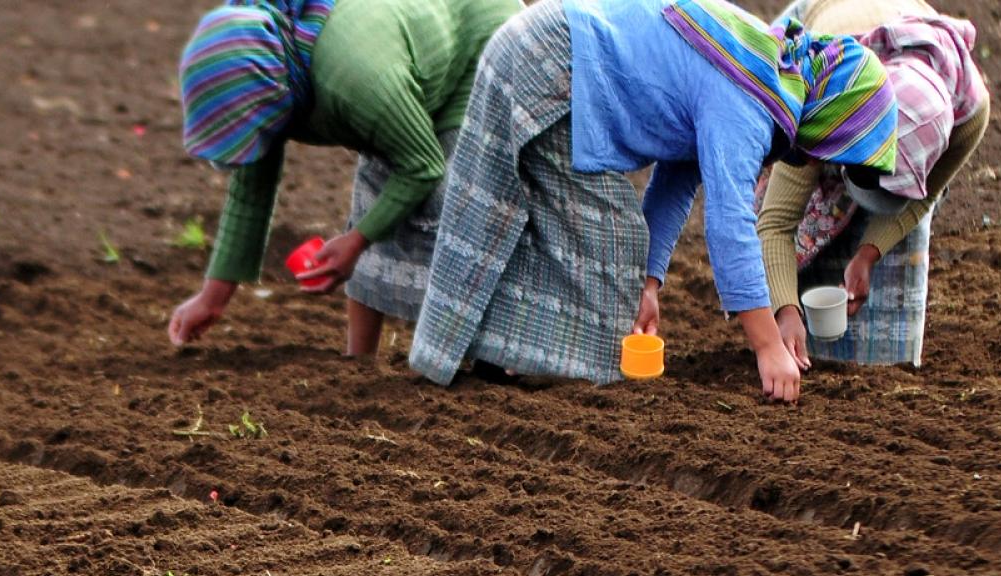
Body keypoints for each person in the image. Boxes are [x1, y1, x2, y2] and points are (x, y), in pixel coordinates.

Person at [406, 0, 899, 402]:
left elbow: (675, 180)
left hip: (541, 46)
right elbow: (730, 224)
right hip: (551, 59)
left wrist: (650, 282)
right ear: (833, 116)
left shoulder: (758, 63)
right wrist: (768, 347)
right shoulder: (750, 97)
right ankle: (559, 369)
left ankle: (491, 352)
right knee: (612, 233)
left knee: (563, 223)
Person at [164, 0, 524, 357]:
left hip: (477, 38)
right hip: (398, 68)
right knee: (373, 200)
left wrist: (356, 240)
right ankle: (359, 361)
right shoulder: (273, 77)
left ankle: (489, 355)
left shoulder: (354, 83)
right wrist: (212, 299)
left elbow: (422, 165)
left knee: (453, 210)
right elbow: (250, 191)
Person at [760, 0, 988, 369]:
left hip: (899, 18)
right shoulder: (821, 94)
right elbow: (776, 223)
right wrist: (785, 311)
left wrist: (868, 254)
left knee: (897, 248)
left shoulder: (968, 111)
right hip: (823, 18)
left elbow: (923, 195)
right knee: (774, 168)